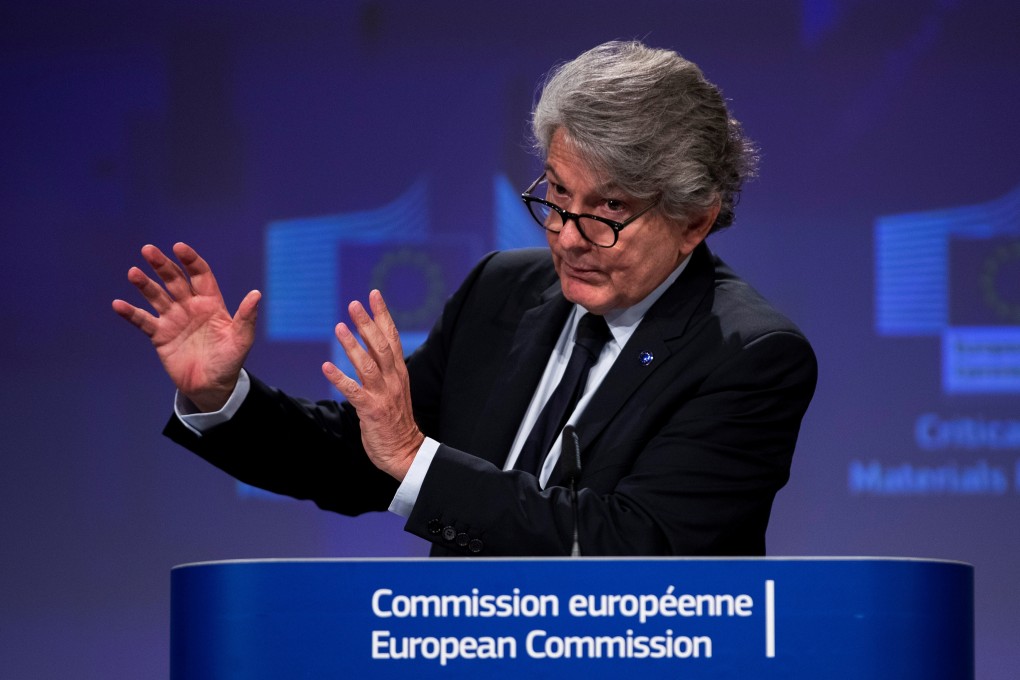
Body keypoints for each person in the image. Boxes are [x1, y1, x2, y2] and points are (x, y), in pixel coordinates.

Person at [113, 41, 817, 557]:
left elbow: (630, 541)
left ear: (694, 219)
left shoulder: (749, 355)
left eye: (606, 211)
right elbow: (365, 459)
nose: (568, 237)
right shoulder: (503, 292)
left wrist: (416, 457)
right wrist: (223, 396)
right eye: (557, 197)